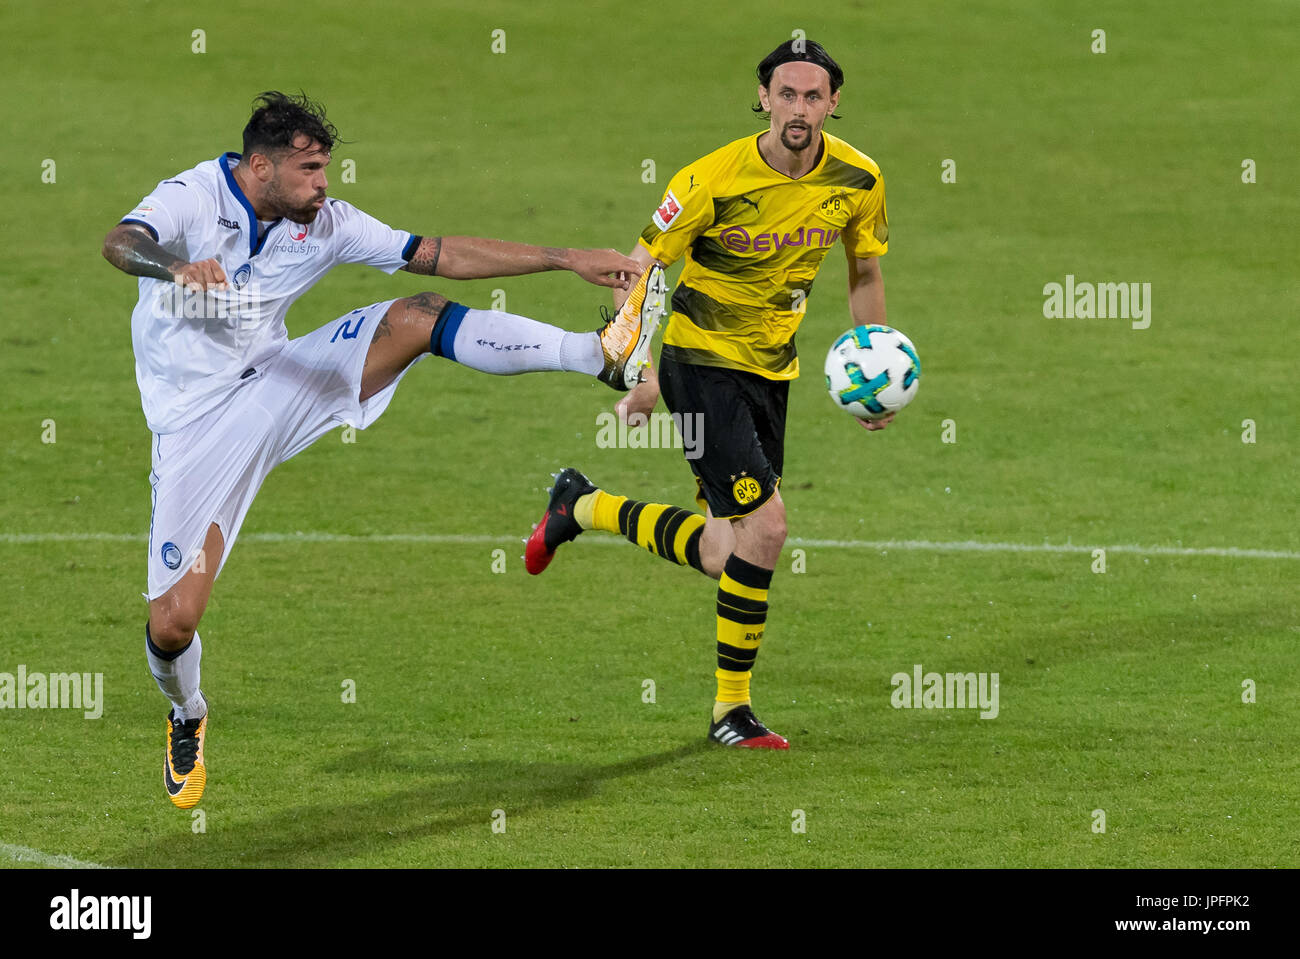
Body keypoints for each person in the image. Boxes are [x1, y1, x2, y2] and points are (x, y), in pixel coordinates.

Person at [103, 91, 659, 808]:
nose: (323, 184)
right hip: (194, 427)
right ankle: (189, 713)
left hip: (279, 381)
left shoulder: (325, 224)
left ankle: (598, 355)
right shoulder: (194, 196)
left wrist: (564, 257)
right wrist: (173, 268)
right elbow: (120, 242)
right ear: (260, 166)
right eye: (308, 169)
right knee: (173, 622)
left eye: (325, 167)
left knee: (417, 316)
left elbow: (439, 255)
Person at [525, 40, 894, 749]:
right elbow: (641, 268)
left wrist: (874, 363)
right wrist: (639, 366)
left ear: (833, 103)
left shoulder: (859, 177)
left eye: (813, 96)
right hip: (698, 365)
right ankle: (731, 710)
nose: (799, 109)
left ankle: (581, 505)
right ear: (763, 97)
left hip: (770, 372)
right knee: (770, 527)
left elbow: (864, 272)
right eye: (786, 94)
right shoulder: (709, 179)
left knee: (728, 550)